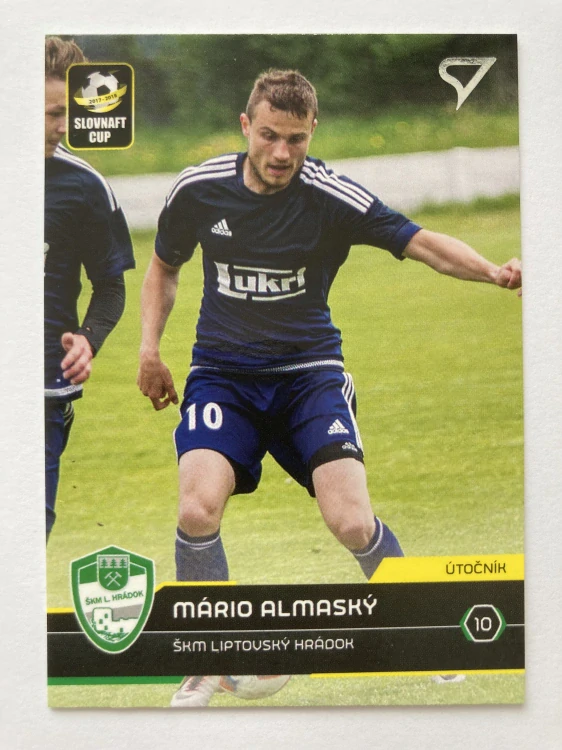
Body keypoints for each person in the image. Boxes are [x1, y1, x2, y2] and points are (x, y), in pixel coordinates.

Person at [137, 69, 521, 707]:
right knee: (196, 509)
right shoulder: (199, 190)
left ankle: (425, 636)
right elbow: (163, 267)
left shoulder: (332, 196)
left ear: (312, 131)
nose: (280, 152)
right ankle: (205, 660)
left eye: (295, 138)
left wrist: (494, 272)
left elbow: (422, 243)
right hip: (224, 378)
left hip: (309, 376)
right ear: (245, 126)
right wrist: (149, 350)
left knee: (350, 521)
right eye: (268, 135)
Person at [44, 37, 135, 539]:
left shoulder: (86, 186)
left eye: (70, 113)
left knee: (28, 530)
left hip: (41, 392)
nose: (65, 126)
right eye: (54, 113)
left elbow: (110, 288)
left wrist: (88, 338)